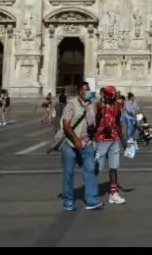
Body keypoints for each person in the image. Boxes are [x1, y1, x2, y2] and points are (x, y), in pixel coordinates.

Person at [60, 81, 102, 212]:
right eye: (87, 89)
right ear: (80, 91)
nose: (90, 92)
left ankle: (92, 200)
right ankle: (68, 201)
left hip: (87, 142)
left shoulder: (91, 105)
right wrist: (75, 139)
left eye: (89, 89)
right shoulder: (71, 104)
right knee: (69, 173)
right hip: (70, 143)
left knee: (90, 171)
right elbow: (66, 124)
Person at [93, 85, 128, 205]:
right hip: (101, 139)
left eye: (109, 94)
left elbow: (117, 123)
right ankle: (91, 191)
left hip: (113, 139)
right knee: (98, 167)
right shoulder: (99, 105)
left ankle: (113, 194)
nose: (107, 96)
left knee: (114, 167)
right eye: (106, 93)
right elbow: (95, 121)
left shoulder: (117, 106)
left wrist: (123, 141)